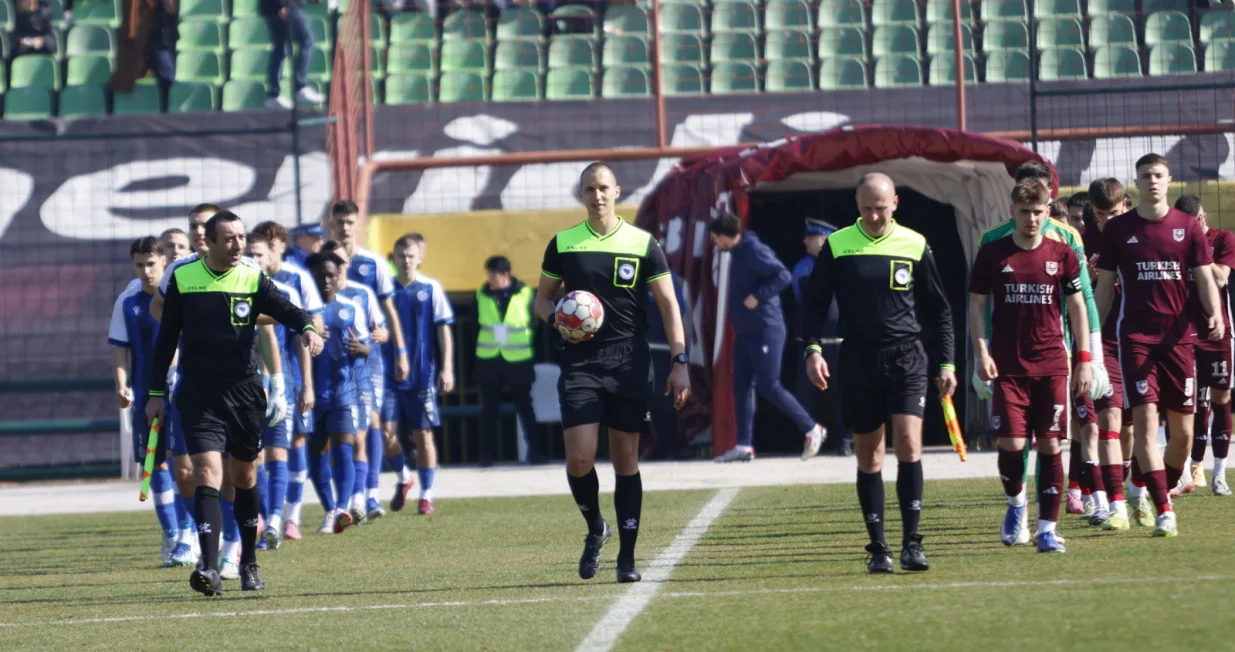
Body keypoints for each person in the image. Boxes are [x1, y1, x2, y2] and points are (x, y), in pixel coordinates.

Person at [147, 210, 322, 596]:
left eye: (241, 237)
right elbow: (165, 340)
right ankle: (208, 567)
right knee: (207, 473)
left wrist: (307, 326)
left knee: (244, 477)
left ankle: (248, 563)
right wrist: (156, 394)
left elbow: (284, 309)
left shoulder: (251, 276)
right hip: (198, 392)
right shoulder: (183, 277)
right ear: (208, 242)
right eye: (229, 238)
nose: (238, 244)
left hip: (243, 394)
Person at [534, 162, 691, 584]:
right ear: (581, 195)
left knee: (626, 460)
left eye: (603, 188)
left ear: (617, 191)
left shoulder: (642, 243)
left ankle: (627, 557)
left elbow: (669, 305)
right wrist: (560, 321)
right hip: (581, 362)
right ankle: (595, 528)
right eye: (589, 189)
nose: (597, 195)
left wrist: (680, 361)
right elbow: (541, 301)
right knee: (579, 457)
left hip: (629, 362)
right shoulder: (563, 243)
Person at [802, 173, 956, 574]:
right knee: (869, 453)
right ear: (857, 205)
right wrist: (813, 349)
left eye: (881, 208)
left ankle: (912, 544)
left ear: (896, 204)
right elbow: (814, 304)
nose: (873, 216)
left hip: (907, 357)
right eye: (866, 208)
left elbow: (939, 310)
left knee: (908, 442)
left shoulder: (915, 244)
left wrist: (947, 362)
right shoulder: (837, 245)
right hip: (857, 358)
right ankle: (879, 548)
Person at [1094, 153, 1224, 537]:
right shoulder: (1118, 230)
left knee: (1182, 436)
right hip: (1135, 338)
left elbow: (1203, 279)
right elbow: (1104, 286)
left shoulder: (1188, 227)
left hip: (1180, 340)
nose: (1152, 180)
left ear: (1169, 181)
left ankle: (1144, 487)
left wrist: (1213, 312)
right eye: (1145, 175)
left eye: (1158, 175)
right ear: (1136, 183)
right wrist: (1091, 337)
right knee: (1146, 426)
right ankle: (1164, 510)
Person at [976, 163, 1109, 534]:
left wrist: (1088, 355)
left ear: (1048, 202)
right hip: (1005, 360)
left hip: (1055, 355)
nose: (1031, 214)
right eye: (1024, 201)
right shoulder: (992, 241)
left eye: (1038, 205)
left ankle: (1050, 524)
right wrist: (981, 353)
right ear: (1013, 201)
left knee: (1058, 440)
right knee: (1013, 444)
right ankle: (1017, 504)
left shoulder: (1067, 240)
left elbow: (1081, 299)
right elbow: (979, 302)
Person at [710, 214, 826, 463]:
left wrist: (758, 295)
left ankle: (812, 429)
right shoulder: (737, 253)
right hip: (745, 331)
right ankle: (743, 446)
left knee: (769, 385)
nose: (714, 243)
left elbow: (782, 275)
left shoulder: (753, 250)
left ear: (722, 236)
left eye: (714, 238)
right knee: (741, 386)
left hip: (766, 328)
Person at [328, 201, 417, 510]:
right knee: (344, 432)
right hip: (333, 358)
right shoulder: (322, 264)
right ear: (332, 223)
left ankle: (369, 495)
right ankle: (355, 494)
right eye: (340, 221)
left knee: (373, 423)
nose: (345, 227)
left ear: (358, 225)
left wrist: (399, 349)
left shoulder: (373, 264)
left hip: (369, 358)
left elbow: (388, 311)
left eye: (350, 222)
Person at [110, 237, 182, 565]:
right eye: (139, 265)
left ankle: (191, 534)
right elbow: (120, 351)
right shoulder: (127, 302)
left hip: (183, 391)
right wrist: (122, 385)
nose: (146, 271)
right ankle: (175, 536)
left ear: (164, 262)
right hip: (146, 396)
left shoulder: (180, 296)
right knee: (157, 465)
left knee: (188, 464)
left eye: (151, 264)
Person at [252, 221, 325, 539]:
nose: (254, 260)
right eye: (249, 254)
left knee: (290, 445)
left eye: (259, 253)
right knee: (253, 455)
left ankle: (286, 516)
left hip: (287, 380)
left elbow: (307, 330)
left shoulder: (293, 285)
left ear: (273, 251)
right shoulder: (232, 287)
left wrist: (306, 384)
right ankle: (262, 515)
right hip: (247, 383)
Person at [1084, 178, 1141, 530]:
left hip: (1135, 341)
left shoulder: (1140, 234)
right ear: (1093, 213)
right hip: (1101, 342)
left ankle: (1131, 485)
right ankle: (1109, 502)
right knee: (1105, 421)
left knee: (1131, 428)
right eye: (1102, 215)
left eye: (1115, 213)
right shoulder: (1084, 241)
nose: (1108, 221)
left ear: (1126, 206)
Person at [321, 239, 389, 523]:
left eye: (338, 262)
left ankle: (364, 496)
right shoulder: (315, 298)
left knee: (366, 429)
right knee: (333, 444)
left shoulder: (362, 294)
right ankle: (342, 502)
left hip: (364, 371)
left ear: (344, 265)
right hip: (329, 376)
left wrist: (376, 339)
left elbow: (382, 331)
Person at [388, 235, 455, 515]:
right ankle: (404, 476)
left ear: (420, 258)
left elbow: (443, 328)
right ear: (393, 258)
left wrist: (447, 366)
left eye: (411, 256)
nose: (406, 260)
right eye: (401, 255)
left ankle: (426, 495)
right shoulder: (383, 290)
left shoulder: (430, 288)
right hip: (388, 375)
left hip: (421, 374)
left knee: (423, 435)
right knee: (385, 433)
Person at [304, 250, 369, 534]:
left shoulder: (350, 309)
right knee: (316, 454)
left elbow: (367, 346)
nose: (327, 280)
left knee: (344, 449)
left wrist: (361, 349)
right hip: (310, 396)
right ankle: (330, 510)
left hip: (343, 392)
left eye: (331, 275)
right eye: (321, 275)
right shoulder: (301, 312)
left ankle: (342, 507)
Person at [1176, 194, 1234, 496]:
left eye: (1197, 222)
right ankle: (1187, 469)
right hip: (1184, 334)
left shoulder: (1223, 239)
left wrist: (1198, 246)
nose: (1194, 227)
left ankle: (1219, 474)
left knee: (1221, 396)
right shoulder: (1174, 241)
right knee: (1192, 402)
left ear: (1204, 217)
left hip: (1217, 332)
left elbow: (1221, 279)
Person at [475, 255, 548, 466]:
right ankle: (486, 456)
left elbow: (535, 322)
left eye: (493, 274)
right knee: (489, 409)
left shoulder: (525, 293)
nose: (489, 278)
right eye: (488, 274)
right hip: (489, 359)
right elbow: (474, 324)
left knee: (525, 407)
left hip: (519, 358)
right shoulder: (481, 294)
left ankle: (535, 452)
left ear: (506, 274)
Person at [791, 217, 851, 457]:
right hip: (813, 344)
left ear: (825, 240)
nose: (805, 240)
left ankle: (845, 439)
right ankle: (811, 438)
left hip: (840, 343)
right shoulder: (804, 267)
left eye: (811, 236)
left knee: (843, 393)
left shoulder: (846, 264)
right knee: (807, 393)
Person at [260, 0, 325, 109]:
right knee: (306, 42)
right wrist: (283, 5)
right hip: (288, 6)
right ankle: (300, 87)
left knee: (280, 47)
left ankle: (273, 95)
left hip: (273, 7)